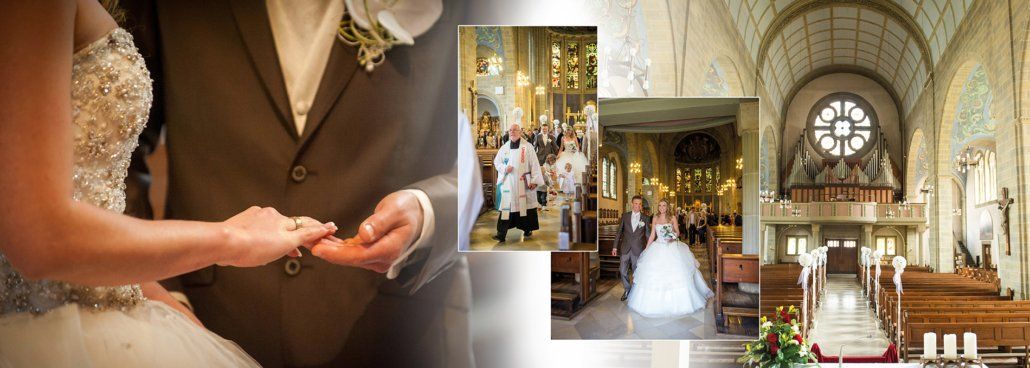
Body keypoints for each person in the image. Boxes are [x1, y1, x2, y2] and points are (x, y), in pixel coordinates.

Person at [121, 1, 471, 366]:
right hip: (200, 323)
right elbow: (111, 150)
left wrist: (430, 211)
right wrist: (159, 292)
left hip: (405, 332)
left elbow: (506, 157)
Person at [0, 2, 350, 366]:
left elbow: (85, 203)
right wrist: (233, 239)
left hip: (115, 311)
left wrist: (179, 319)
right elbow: (40, 237)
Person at [627, 199, 714, 318]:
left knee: (676, 273)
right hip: (657, 247)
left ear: (667, 207)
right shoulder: (655, 218)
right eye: (660, 205)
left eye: (664, 205)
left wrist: (672, 237)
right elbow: (652, 235)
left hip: (671, 247)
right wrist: (646, 249)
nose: (661, 207)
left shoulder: (672, 217)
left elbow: (677, 232)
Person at [493, 123, 545, 242]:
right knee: (506, 208)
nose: (512, 132)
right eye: (510, 130)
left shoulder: (528, 147)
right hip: (509, 184)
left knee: (525, 207)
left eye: (515, 130)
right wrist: (504, 168)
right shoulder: (504, 147)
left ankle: (527, 229)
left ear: (520, 132)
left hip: (524, 183)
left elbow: (535, 164)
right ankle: (501, 234)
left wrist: (534, 180)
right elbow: (497, 162)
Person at [611, 196, 649, 301]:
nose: (638, 206)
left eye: (640, 204)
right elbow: (619, 232)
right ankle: (627, 289)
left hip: (638, 249)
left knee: (636, 272)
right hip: (625, 248)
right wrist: (614, 247)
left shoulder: (645, 218)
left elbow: (647, 234)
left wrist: (649, 248)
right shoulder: (625, 216)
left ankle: (635, 292)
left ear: (641, 206)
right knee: (622, 270)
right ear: (632, 204)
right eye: (636, 203)